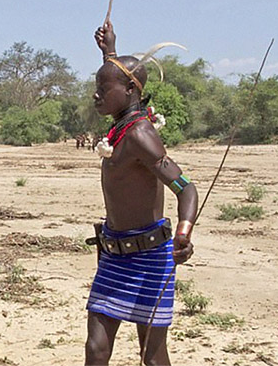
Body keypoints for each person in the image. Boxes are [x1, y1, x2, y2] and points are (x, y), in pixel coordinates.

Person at [84, 21, 198, 366]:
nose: (96, 94)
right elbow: (119, 76)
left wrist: (183, 232)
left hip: (150, 258)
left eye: (103, 88)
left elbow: (185, 188)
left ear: (131, 91)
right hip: (114, 253)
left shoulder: (140, 135)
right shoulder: (121, 126)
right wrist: (109, 53)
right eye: (96, 86)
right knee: (96, 348)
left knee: (151, 354)